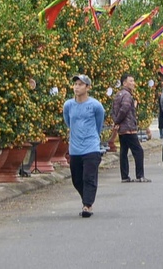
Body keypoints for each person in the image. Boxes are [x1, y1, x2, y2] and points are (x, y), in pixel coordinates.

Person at [63, 74, 105, 218]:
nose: (77, 87)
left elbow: (99, 123)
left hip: (91, 146)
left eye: (80, 84)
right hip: (75, 148)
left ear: (87, 87)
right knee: (77, 179)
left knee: (89, 176)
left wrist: (93, 137)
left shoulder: (95, 105)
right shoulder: (68, 105)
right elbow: (68, 122)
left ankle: (87, 205)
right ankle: (86, 198)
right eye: (75, 84)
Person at [111, 74, 151, 183]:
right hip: (128, 127)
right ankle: (140, 175)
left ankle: (124, 176)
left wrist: (116, 121)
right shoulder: (127, 95)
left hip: (121, 128)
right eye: (131, 81)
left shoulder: (118, 95)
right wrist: (119, 121)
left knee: (124, 151)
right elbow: (124, 108)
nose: (133, 83)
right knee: (138, 151)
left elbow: (113, 111)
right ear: (124, 83)